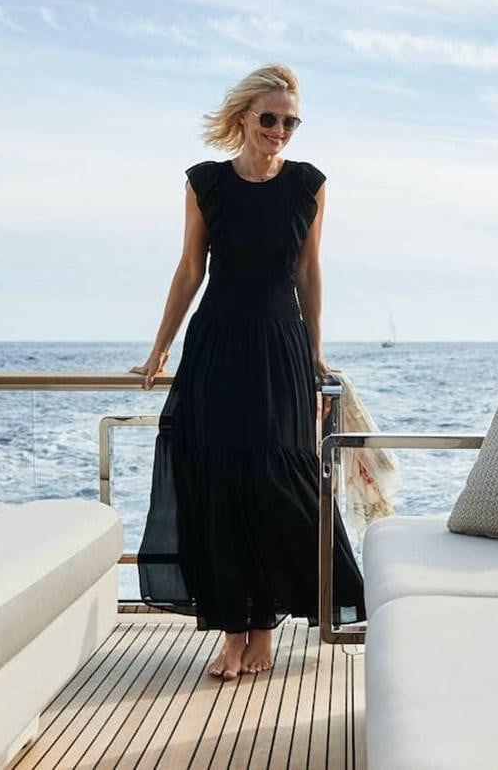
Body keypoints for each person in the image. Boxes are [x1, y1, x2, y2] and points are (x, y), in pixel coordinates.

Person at [130, 64, 366, 681]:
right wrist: (160, 347)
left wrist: (315, 353)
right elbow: (190, 270)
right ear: (242, 119)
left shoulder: (308, 185)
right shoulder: (205, 183)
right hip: (215, 346)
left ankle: (266, 626)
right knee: (216, 481)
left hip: (280, 346)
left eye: (290, 121)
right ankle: (231, 635)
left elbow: (309, 274)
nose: (280, 130)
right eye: (269, 119)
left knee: (274, 477)